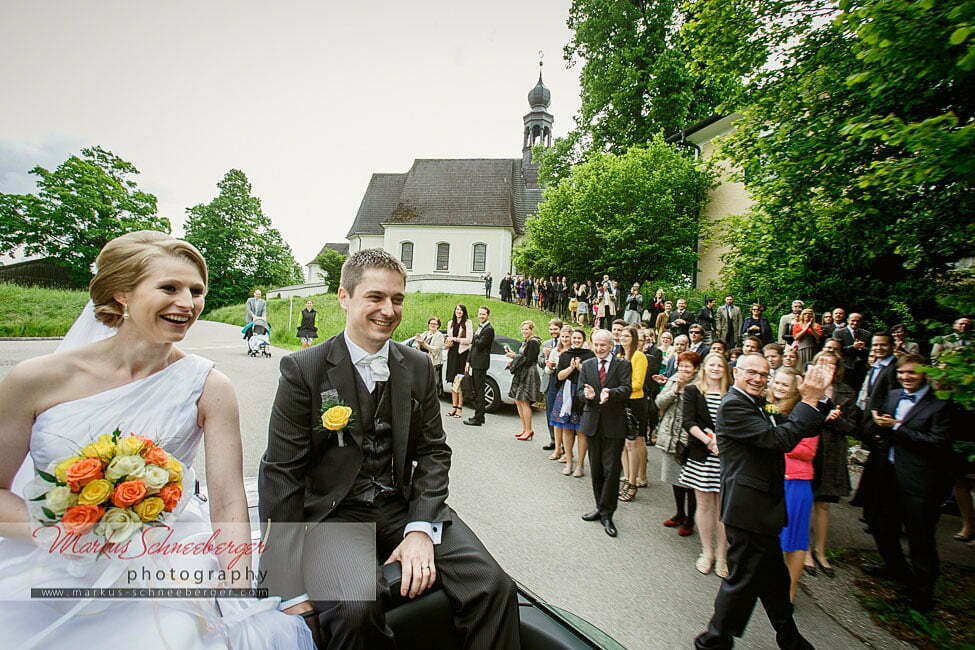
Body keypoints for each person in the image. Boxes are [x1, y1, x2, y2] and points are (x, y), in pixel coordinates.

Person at [0, 231, 315, 649]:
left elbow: (227, 499)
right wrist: (65, 537)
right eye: (169, 287)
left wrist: (238, 583)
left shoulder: (210, 386)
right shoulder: (34, 380)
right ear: (121, 295)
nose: (187, 303)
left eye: (196, 290)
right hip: (48, 557)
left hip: (162, 558)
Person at [259, 248, 521, 649]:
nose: (388, 310)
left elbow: (434, 451)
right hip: (336, 515)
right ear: (344, 297)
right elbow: (282, 472)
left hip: (401, 505)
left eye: (397, 299)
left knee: (493, 585)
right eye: (376, 297)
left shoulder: (416, 365)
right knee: (354, 609)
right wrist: (285, 580)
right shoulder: (304, 370)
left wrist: (420, 528)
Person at [694, 353, 833, 650]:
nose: (759, 378)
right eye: (752, 372)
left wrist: (820, 400)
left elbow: (790, 424)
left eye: (764, 373)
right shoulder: (733, 405)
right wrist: (808, 402)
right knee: (742, 581)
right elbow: (778, 439)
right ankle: (712, 641)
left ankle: (789, 637)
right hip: (748, 509)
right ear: (736, 372)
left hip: (763, 508)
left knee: (774, 581)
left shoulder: (757, 403)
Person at [866, 354, 955, 612]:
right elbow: (885, 431)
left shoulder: (939, 404)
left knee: (920, 538)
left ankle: (922, 597)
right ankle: (896, 570)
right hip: (888, 473)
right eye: (902, 373)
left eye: (912, 373)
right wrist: (880, 426)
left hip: (920, 481)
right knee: (879, 523)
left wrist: (897, 428)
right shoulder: (894, 395)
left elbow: (938, 444)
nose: (905, 377)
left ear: (924, 374)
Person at [803, 352, 855, 579]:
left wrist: (836, 419)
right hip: (808, 449)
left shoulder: (846, 392)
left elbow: (853, 427)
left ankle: (821, 551)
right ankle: (803, 549)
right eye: (820, 361)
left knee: (823, 504)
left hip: (832, 452)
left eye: (830, 363)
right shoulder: (805, 387)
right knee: (805, 501)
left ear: (838, 367)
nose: (824, 365)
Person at [577, 330, 632, 537]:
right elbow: (579, 392)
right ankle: (599, 507)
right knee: (597, 469)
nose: (599, 349)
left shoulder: (622, 365)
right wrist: (587, 395)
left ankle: (608, 512)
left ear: (611, 345)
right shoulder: (588, 365)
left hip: (614, 424)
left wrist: (612, 393)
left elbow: (627, 389)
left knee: (611, 470)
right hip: (592, 423)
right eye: (596, 345)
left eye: (603, 345)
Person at [767, 367, 816, 603]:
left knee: (794, 540)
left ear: (796, 389)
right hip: (770, 480)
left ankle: (790, 590)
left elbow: (808, 451)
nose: (779, 388)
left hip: (795, 482)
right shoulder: (767, 407)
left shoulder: (803, 413)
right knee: (770, 537)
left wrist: (777, 439)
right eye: (777, 382)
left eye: (785, 385)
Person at [681, 352, 732, 578]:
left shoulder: (731, 393)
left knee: (724, 508)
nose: (715, 368)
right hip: (702, 454)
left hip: (727, 457)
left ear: (725, 369)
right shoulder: (693, 390)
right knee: (704, 504)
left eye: (719, 365)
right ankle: (706, 552)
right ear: (704, 367)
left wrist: (724, 441)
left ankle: (722, 555)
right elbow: (688, 421)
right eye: (711, 364)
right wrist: (708, 440)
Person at [656, 351, 702, 537]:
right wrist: (675, 390)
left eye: (687, 367)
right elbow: (659, 402)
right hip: (670, 434)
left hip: (689, 437)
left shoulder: (701, 384)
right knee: (674, 478)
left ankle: (690, 519)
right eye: (681, 365)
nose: (683, 370)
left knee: (689, 481)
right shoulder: (674, 379)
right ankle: (679, 513)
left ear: (696, 369)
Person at [553, 329, 595, 478]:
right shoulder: (565, 355)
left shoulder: (590, 356)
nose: (576, 340)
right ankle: (569, 462)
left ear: (583, 339)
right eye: (574, 338)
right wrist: (571, 368)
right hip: (567, 392)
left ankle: (580, 465)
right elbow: (559, 376)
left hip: (582, 393)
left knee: (581, 431)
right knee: (567, 429)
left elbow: (593, 376)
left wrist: (580, 368)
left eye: (579, 338)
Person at [617, 326, 648, 502]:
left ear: (634, 338)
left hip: (635, 402)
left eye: (627, 335)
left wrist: (619, 387)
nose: (623, 338)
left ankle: (633, 482)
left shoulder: (639, 356)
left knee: (633, 443)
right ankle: (627, 479)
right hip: (621, 401)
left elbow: (638, 383)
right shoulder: (620, 356)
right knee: (623, 444)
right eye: (621, 335)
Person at [506, 321, 541, 440]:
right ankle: (525, 429)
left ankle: (529, 430)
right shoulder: (526, 342)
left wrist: (514, 357)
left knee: (524, 401)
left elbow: (529, 359)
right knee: (518, 400)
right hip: (521, 372)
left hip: (528, 373)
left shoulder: (533, 342)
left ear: (532, 330)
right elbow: (522, 357)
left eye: (527, 329)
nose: (524, 331)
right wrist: (513, 361)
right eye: (523, 329)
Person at [544, 326, 573, 461]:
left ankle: (567, 450)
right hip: (555, 382)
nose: (565, 339)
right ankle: (557, 446)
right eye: (563, 336)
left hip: (569, 384)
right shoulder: (555, 351)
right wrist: (549, 366)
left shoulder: (574, 351)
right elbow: (547, 370)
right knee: (552, 414)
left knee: (566, 417)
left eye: (567, 336)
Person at [464, 306, 495, 427]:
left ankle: (478, 418)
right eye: (480, 314)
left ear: (488, 315)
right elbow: (473, 347)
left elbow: (480, 344)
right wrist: (468, 362)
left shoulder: (489, 329)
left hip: (481, 364)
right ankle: (479, 416)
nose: (481, 316)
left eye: (483, 314)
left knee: (479, 391)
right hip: (475, 363)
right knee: (477, 390)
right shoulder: (480, 328)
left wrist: (474, 336)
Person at [444, 304, 473, 419]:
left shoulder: (467, 322)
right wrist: (447, 342)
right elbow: (448, 337)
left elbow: (469, 340)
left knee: (459, 382)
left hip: (462, 354)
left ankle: (460, 408)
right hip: (452, 353)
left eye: (461, 310)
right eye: (457, 309)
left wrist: (455, 339)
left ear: (464, 312)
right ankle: (453, 407)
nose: (458, 311)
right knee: (452, 381)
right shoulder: (450, 322)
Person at [540, 319, 565, 450]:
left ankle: (564, 444)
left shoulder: (565, 343)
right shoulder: (546, 344)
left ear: (560, 329)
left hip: (561, 381)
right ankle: (553, 440)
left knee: (561, 412)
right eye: (551, 329)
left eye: (555, 329)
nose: (553, 332)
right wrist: (545, 358)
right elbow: (539, 362)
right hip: (549, 380)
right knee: (549, 412)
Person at [832, 312, 872, 390]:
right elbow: (836, 350)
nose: (855, 323)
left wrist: (864, 348)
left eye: (858, 321)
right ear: (847, 320)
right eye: (853, 320)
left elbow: (871, 350)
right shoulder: (838, 332)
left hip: (861, 368)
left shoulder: (866, 334)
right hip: (845, 367)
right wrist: (853, 347)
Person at [415, 317, 445, 392]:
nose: (433, 325)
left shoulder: (439, 335)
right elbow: (417, 347)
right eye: (431, 323)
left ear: (438, 325)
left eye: (435, 324)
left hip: (433, 363)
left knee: (432, 384)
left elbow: (436, 349)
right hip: (422, 361)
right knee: (422, 383)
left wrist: (423, 343)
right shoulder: (425, 333)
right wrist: (418, 342)